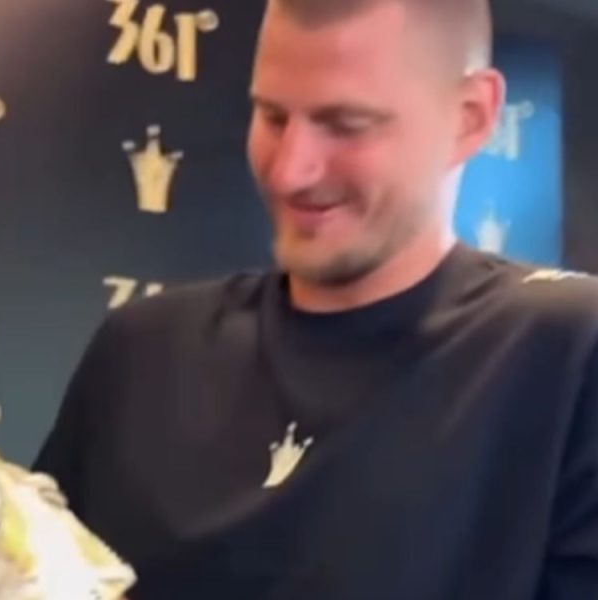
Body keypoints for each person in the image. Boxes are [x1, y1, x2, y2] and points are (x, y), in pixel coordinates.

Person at [30, 0, 598, 597]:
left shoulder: (565, 357)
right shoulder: (141, 352)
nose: (289, 172)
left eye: (346, 124)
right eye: (272, 117)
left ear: (470, 117)